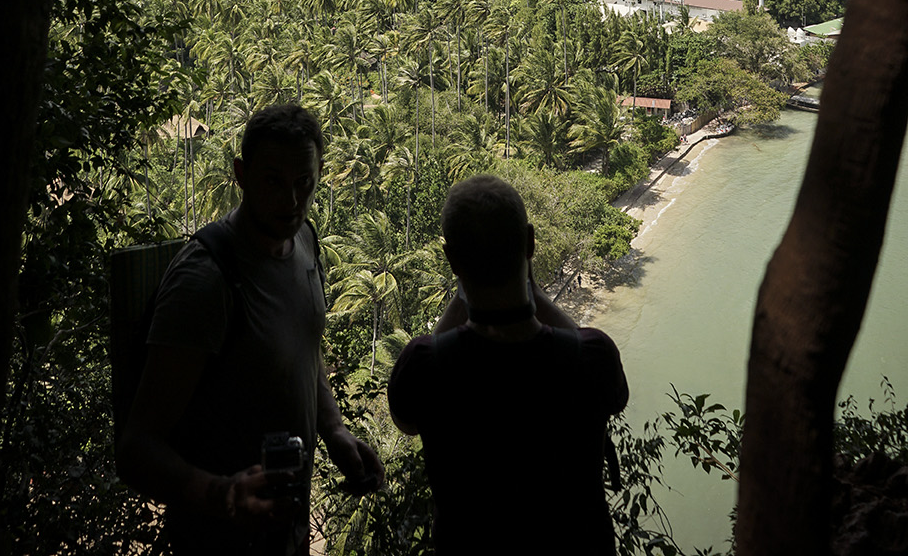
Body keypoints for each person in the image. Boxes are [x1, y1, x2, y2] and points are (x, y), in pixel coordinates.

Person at [117, 103, 384, 555]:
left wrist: (334, 430)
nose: (292, 201)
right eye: (274, 181)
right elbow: (136, 449)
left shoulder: (304, 240)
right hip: (218, 541)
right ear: (240, 174)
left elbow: (303, 347)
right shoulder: (207, 279)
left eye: (305, 183)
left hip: (287, 533)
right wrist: (222, 495)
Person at [387, 175, 628, 555]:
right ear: (530, 243)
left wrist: (461, 294)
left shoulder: (425, 366)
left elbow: (405, 422)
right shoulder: (592, 357)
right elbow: (608, 387)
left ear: (452, 260)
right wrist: (534, 292)